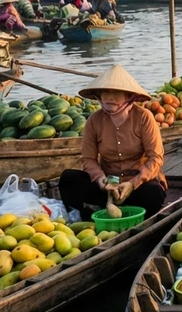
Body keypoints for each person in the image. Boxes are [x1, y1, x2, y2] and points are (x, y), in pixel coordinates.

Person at [62, 65, 170, 219]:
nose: (109, 97)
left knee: (154, 193)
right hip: (107, 184)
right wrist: (101, 180)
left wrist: (132, 184)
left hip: (138, 184)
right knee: (68, 179)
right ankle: (91, 216)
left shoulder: (144, 117)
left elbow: (156, 158)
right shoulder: (94, 120)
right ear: (98, 96)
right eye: (105, 92)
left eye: (115, 92)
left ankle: (132, 212)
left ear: (128, 96)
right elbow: (88, 159)